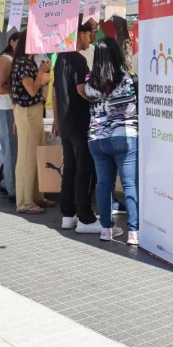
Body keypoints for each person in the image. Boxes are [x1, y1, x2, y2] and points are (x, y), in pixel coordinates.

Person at [84, 37, 139, 244]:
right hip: (123, 136)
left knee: (103, 185)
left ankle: (106, 229)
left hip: (96, 139)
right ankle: (134, 232)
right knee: (129, 185)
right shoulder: (128, 79)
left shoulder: (89, 81)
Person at [52, 22, 100, 234]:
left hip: (65, 122)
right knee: (84, 169)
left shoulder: (60, 58)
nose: (91, 39)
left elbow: (54, 93)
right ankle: (85, 218)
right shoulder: (78, 59)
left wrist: (56, 119)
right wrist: (100, 95)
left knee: (70, 168)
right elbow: (82, 90)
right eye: (90, 34)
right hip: (80, 122)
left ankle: (68, 214)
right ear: (80, 34)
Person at [10, 32, 54, 214]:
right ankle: (25, 201)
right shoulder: (22, 62)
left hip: (33, 110)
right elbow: (30, 89)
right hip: (27, 111)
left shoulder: (27, 62)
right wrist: (42, 73)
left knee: (36, 154)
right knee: (27, 156)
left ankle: (36, 196)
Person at [0, 31, 20, 202]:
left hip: (6, 109)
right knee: (11, 151)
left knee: (12, 150)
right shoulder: (5, 60)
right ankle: (12, 189)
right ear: (12, 42)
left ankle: (6, 183)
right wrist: (21, 88)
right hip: (5, 110)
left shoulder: (7, 59)